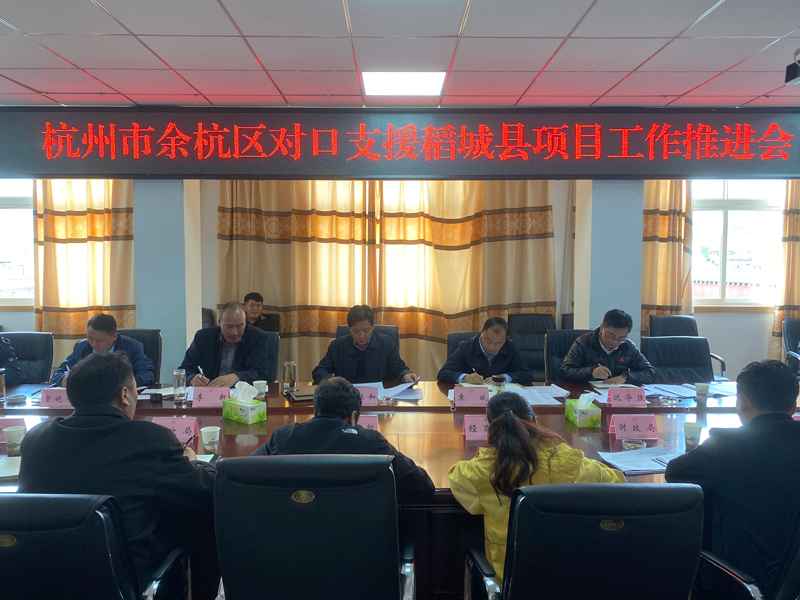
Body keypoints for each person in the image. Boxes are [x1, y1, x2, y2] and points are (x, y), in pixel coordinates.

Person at [18, 352, 219, 599]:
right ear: (124, 395)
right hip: (118, 583)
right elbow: (207, 490)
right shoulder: (148, 439)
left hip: (38, 580)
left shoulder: (36, 439)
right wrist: (194, 462)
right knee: (202, 517)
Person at [449, 392, 626, 583]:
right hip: (569, 578)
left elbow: (456, 479)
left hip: (509, 583)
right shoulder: (570, 462)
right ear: (535, 420)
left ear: (491, 429)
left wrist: (485, 455)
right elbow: (617, 487)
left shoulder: (482, 469)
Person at [666, 360, 800, 589]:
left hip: (744, 581)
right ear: (793, 407)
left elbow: (675, 473)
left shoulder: (728, 446)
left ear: (742, 403)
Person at [252, 377, 434, 504]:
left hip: (292, 540)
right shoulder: (371, 442)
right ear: (352, 417)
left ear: (315, 409)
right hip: (359, 542)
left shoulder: (283, 437)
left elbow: (245, 475)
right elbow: (423, 487)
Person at [312, 305, 417, 385]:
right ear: (349, 329)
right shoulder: (338, 346)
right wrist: (330, 381)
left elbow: (399, 368)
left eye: (366, 330)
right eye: (356, 331)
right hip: (347, 398)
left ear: (373, 326)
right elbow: (320, 370)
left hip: (379, 398)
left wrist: (405, 375)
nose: (362, 336)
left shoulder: (386, 343)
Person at [179, 302, 272, 386]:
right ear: (219, 322)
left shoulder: (257, 337)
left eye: (240, 326)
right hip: (210, 393)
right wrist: (192, 379)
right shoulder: (203, 337)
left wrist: (236, 377)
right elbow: (185, 368)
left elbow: (260, 372)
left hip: (243, 395)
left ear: (245, 321)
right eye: (229, 326)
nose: (234, 332)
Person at [50, 313, 155, 387]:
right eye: (90, 338)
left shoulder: (132, 347)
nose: (94, 344)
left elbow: (148, 374)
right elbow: (59, 373)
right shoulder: (81, 347)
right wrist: (63, 380)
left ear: (114, 337)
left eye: (100, 340)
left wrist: (128, 383)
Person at [559, 308, 656, 385]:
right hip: (587, 394)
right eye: (611, 336)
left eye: (621, 338)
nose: (615, 341)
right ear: (602, 328)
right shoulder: (584, 342)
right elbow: (565, 372)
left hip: (617, 396)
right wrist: (590, 372)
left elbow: (651, 373)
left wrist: (625, 377)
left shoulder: (628, 346)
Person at [437, 317, 534, 384]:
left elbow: (526, 374)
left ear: (506, 339)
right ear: (482, 332)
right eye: (488, 340)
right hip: (473, 398)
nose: (491, 346)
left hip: (500, 397)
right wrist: (465, 377)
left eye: (498, 343)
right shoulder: (467, 347)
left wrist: (503, 378)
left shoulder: (510, 347)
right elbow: (443, 373)